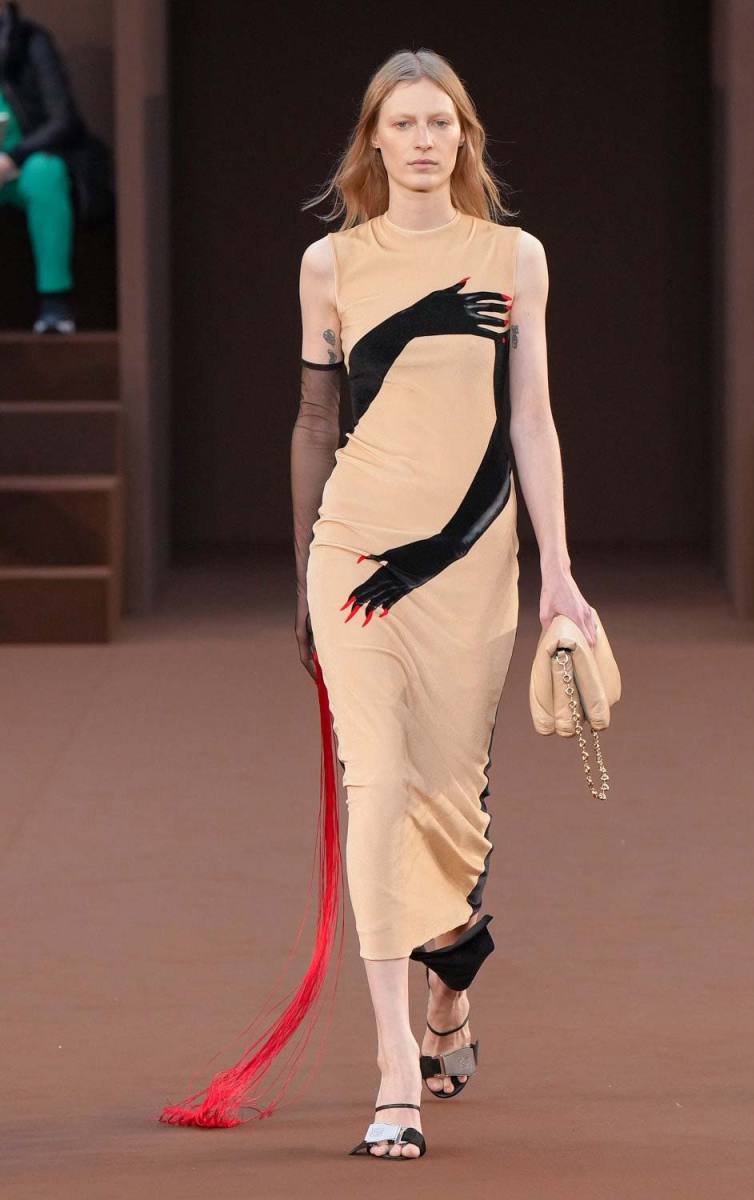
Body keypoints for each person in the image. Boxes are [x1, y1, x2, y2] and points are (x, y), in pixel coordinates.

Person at [157, 46, 598, 1159]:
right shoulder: (331, 265)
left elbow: (530, 419)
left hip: (471, 560)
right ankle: (395, 1068)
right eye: (401, 123)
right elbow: (316, 422)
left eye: (440, 122)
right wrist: (303, 575)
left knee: (450, 802)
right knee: (378, 785)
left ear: (464, 138)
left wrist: (558, 567)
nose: (421, 140)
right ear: (373, 141)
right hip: (354, 554)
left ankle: (452, 979)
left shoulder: (513, 256)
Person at [0, 1, 85, 333]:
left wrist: (13, 157)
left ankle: (55, 303)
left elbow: (63, 120)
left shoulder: (30, 42)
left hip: (22, 161)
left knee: (45, 174)